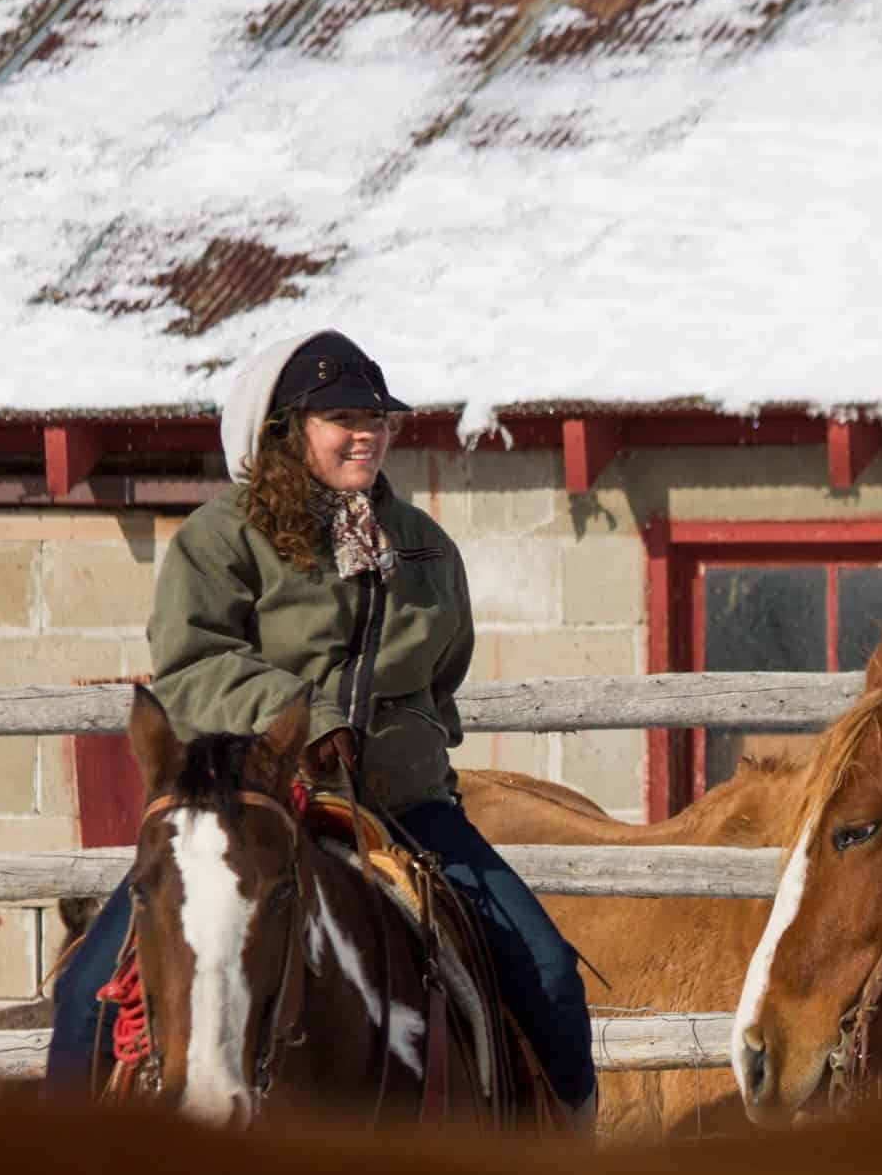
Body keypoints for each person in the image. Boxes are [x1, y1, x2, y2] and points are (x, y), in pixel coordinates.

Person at [44, 330, 596, 1117]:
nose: (367, 433)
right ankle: (61, 1174)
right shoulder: (221, 538)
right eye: (343, 418)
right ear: (286, 428)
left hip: (405, 810)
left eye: (377, 418)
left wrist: (403, 748)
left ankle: (558, 1170)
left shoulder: (426, 549)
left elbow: (444, 672)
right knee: (84, 1000)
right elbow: (192, 664)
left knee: (548, 975)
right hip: (253, 808)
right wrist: (304, 720)